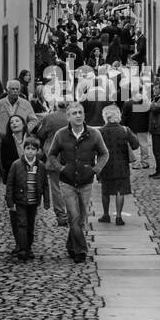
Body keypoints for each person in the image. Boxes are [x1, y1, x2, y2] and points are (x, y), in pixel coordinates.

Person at [47, 102, 109, 262]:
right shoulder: (61, 135)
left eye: (80, 112)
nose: (78, 115)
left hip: (86, 182)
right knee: (73, 216)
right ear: (68, 116)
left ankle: (70, 245)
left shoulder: (94, 134)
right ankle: (81, 250)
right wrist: (61, 169)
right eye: (74, 113)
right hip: (67, 182)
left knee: (81, 219)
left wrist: (95, 169)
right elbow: (51, 154)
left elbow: (104, 154)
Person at [6, 135, 51, 261]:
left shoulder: (41, 166)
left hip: (33, 201)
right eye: (28, 148)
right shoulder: (16, 165)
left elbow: (45, 184)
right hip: (20, 200)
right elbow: (10, 183)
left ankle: (29, 247)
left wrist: (46, 201)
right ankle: (22, 248)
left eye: (33, 149)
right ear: (24, 150)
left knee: (30, 226)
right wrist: (10, 201)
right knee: (22, 224)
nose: (30, 151)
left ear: (37, 151)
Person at [98, 104, 140, 225]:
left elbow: (95, 149)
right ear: (118, 116)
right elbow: (135, 145)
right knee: (119, 191)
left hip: (105, 165)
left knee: (105, 191)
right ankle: (119, 217)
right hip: (121, 165)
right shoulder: (125, 130)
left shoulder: (100, 132)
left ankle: (106, 215)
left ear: (105, 116)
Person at [37, 96, 70, 227]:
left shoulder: (50, 118)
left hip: (53, 156)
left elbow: (41, 134)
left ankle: (61, 216)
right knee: (71, 186)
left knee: (56, 187)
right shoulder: (74, 117)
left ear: (57, 104)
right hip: (71, 156)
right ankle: (73, 213)